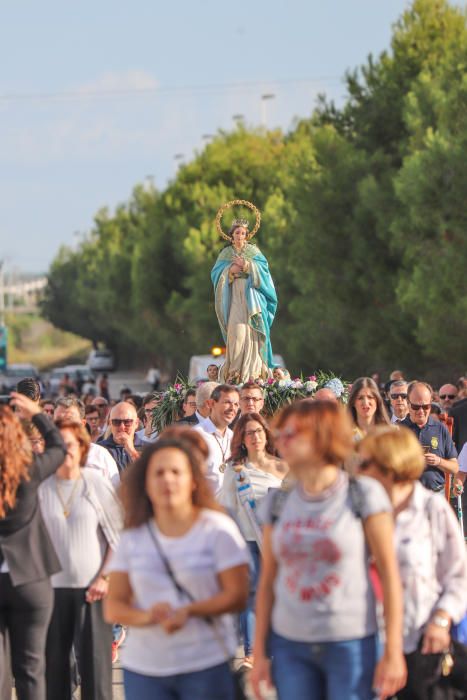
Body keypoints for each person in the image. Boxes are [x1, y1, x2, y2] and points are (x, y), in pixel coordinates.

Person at [251, 400, 406, 700]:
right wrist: (259, 654)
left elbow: (389, 575)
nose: (279, 441)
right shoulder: (277, 503)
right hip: (290, 644)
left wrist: (393, 651)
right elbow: (267, 580)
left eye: (290, 434)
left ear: (322, 438)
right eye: (279, 433)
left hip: (350, 643)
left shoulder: (363, 495)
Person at [104, 429, 250, 700]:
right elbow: (115, 606)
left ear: (194, 480)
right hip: (145, 669)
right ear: (145, 482)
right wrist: (150, 617)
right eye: (158, 473)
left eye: (176, 472)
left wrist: (189, 611)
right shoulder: (133, 537)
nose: (167, 479)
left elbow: (237, 595)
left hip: (205, 664)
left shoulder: (218, 530)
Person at [358, 427, 467, 699]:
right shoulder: (359, 510)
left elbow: (458, 575)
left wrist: (442, 620)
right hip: (365, 642)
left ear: (390, 464)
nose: (358, 470)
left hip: (422, 642)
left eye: (365, 463)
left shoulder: (431, 509)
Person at [39, 419, 122, 700]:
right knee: (55, 670)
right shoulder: (41, 486)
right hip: (50, 591)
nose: (65, 450)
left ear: (82, 447)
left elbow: (118, 537)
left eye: (70, 444)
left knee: (95, 670)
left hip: (93, 590)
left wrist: (105, 577)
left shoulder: (95, 483)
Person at [0, 393, 66, 700]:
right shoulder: (29, 470)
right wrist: (38, 413)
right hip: (31, 577)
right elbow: (58, 447)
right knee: (30, 668)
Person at [219, 413, 287, 668]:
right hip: (248, 540)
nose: (255, 437)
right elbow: (227, 508)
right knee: (252, 595)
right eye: (249, 432)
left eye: (259, 431)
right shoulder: (235, 470)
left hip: (276, 542)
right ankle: (251, 652)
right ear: (241, 438)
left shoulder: (282, 466)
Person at [211, 212, 277, 383]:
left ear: (247, 235)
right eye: (237, 232)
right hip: (233, 298)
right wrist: (229, 271)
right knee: (236, 333)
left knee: (252, 333)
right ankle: (234, 375)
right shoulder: (225, 253)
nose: (240, 236)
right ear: (231, 235)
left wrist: (247, 265)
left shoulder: (253, 252)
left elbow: (265, 273)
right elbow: (216, 274)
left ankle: (252, 374)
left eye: (243, 233)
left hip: (252, 299)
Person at [400, 382, 458, 492]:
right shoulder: (399, 430)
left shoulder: (440, 428)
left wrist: (438, 461)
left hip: (436, 493)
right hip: (407, 494)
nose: (421, 411)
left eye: (425, 407)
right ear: (408, 403)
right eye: (416, 407)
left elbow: (455, 468)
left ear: (431, 405)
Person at [54, 397, 119, 487]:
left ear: (82, 423)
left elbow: (115, 492)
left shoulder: (100, 455)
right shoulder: (44, 455)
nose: (63, 425)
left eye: (69, 419)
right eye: (59, 420)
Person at [195, 385, 239, 494]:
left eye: (236, 404)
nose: (232, 408)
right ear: (211, 403)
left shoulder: (235, 438)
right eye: (227, 402)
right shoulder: (196, 435)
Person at [99, 401, 143, 474]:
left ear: (136, 423)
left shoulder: (148, 448)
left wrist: (132, 451)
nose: (122, 427)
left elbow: (150, 474)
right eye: (116, 422)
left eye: (127, 422)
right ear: (110, 423)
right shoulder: (99, 449)